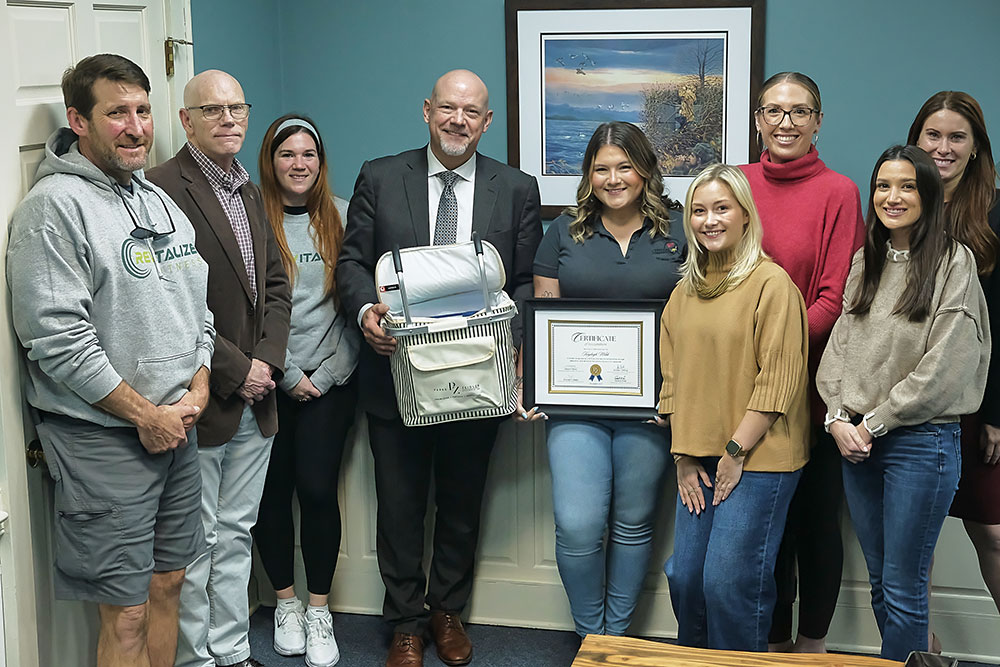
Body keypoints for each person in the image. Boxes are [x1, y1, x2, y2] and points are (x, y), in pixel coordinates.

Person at [6, 53, 214, 667]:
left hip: (177, 429)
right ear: (79, 120)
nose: (136, 127)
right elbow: (55, 337)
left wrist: (197, 387)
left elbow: (196, 308)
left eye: (143, 111)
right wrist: (144, 414)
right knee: (124, 611)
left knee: (170, 584)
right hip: (105, 438)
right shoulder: (54, 208)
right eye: (117, 113)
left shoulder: (156, 200)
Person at [336, 69, 542, 667]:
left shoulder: (516, 187)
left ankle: (446, 612)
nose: (458, 121)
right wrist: (366, 312)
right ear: (427, 111)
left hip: (476, 377)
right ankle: (404, 622)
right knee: (399, 507)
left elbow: (526, 279)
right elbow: (352, 263)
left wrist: (511, 338)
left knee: (460, 502)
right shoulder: (380, 176)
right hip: (393, 375)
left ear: (487, 122)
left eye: (471, 112)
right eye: (448, 109)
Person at [816, 145, 990, 661]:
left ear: (928, 194)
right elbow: (840, 350)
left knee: (905, 587)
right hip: (856, 443)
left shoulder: (953, 262)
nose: (893, 197)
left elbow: (947, 365)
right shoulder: (863, 261)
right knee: (879, 582)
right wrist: (834, 417)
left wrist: (874, 422)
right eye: (884, 186)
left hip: (922, 441)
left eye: (908, 186)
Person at [147, 70, 292, 667]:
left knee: (236, 534)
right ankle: (195, 660)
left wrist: (270, 362)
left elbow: (277, 285)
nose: (229, 119)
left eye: (237, 108)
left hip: (258, 400)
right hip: (204, 396)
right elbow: (173, 304)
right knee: (197, 543)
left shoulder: (248, 188)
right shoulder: (160, 189)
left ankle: (232, 652)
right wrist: (240, 370)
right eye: (213, 111)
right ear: (186, 121)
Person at [530, 121, 684, 637]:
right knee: (578, 525)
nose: (614, 178)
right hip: (573, 405)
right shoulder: (563, 230)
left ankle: (615, 639)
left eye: (625, 167)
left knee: (634, 524)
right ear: (588, 173)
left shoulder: (680, 230)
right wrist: (533, 384)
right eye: (601, 168)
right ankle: (589, 637)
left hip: (653, 406)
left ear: (645, 170)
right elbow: (543, 319)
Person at [659, 163, 809, 651]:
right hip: (698, 457)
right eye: (699, 211)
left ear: (745, 214)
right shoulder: (684, 293)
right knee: (685, 578)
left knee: (728, 584)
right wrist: (683, 455)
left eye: (721, 208)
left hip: (760, 456)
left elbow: (779, 381)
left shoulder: (773, 285)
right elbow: (674, 382)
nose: (709, 220)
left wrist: (734, 450)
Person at [739, 71, 864, 653]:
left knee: (814, 524)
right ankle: (767, 647)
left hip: (813, 390)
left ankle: (811, 649)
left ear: (818, 120)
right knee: (764, 533)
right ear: (758, 119)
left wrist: (777, 356)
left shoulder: (839, 192)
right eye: (773, 111)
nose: (785, 122)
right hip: (740, 389)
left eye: (799, 111)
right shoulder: (736, 184)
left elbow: (838, 296)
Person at [253, 114, 359, 667]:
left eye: (308, 155)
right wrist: (286, 372)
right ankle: (284, 603)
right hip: (267, 381)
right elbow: (248, 307)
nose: (299, 164)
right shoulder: (251, 218)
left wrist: (329, 372)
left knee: (317, 491)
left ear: (321, 162)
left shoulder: (341, 215)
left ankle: (319, 610)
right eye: (287, 155)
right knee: (271, 496)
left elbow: (359, 304)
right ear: (271, 162)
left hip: (331, 382)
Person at [908, 92, 1000, 621]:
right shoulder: (896, 204)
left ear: (975, 147)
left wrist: (994, 414)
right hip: (911, 403)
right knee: (915, 544)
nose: (943, 148)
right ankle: (921, 648)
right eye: (933, 135)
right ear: (916, 139)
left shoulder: (994, 212)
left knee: (991, 531)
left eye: (956, 137)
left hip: (976, 407)